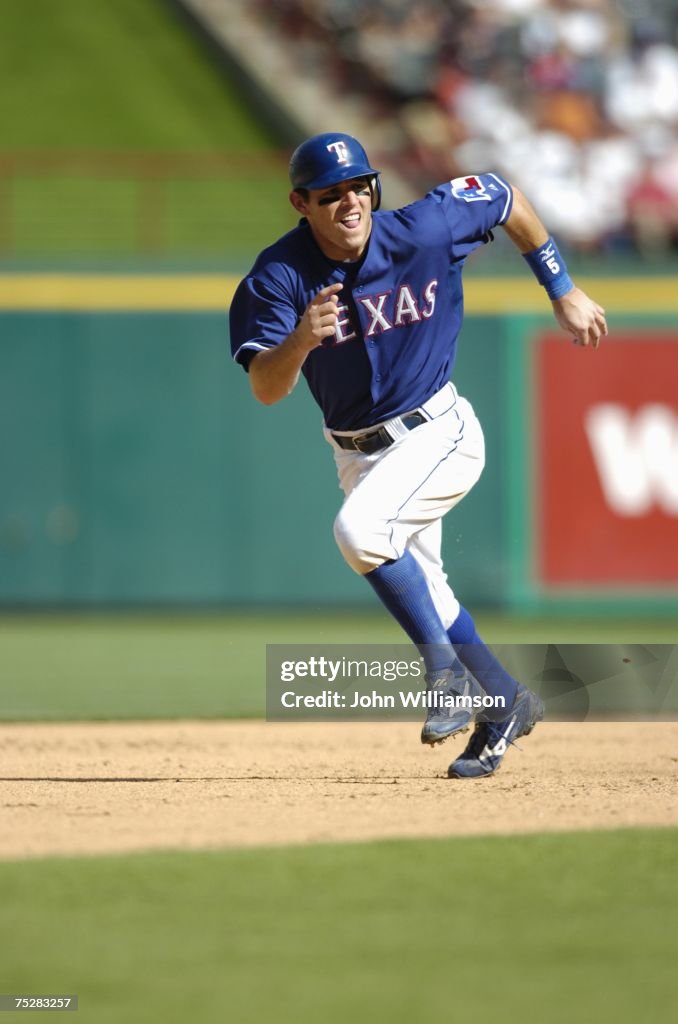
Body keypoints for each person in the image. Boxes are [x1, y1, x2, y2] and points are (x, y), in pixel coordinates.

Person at [229, 132, 607, 779]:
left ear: (372, 188)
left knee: (358, 532)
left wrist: (562, 287)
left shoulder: (425, 228)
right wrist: (298, 342)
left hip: (440, 432)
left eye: (359, 187)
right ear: (301, 202)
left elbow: (505, 197)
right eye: (330, 194)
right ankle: (504, 705)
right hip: (358, 455)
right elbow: (266, 388)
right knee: (427, 590)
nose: (349, 202)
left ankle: (446, 678)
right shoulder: (279, 277)